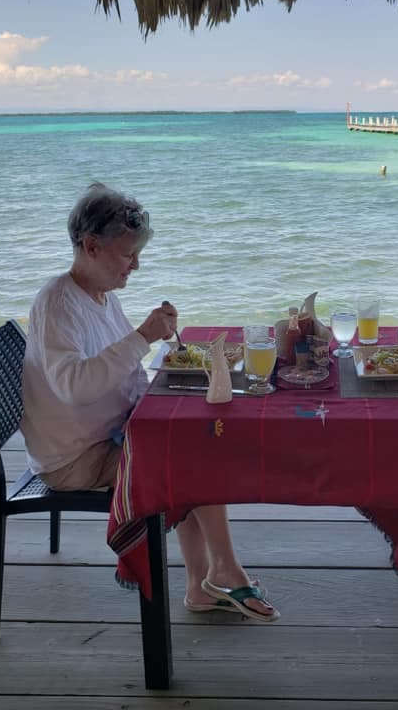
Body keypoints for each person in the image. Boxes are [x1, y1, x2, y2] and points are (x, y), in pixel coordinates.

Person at [20, 182, 279, 622]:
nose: (136, 266)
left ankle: (203, 584)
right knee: (194, 458)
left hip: (106, 434)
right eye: (127, 255)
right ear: (91, 246)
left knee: (191, 440)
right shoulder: (57, 303)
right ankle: (223, 572)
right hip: (74, 458)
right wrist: (142, 337)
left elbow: (120, 372)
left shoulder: (99, 297)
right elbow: (74, 387)